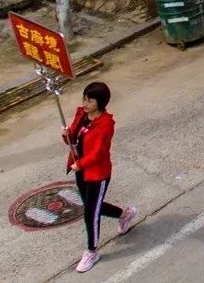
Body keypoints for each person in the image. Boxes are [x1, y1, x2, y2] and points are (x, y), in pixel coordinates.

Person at [63, 82, 136, 273]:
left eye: (90, 100)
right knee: (91, 206)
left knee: (90, 213)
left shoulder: (105, 124)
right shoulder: (82, 115)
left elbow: (99, 153)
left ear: (100, 102)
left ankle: (92, 251)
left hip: (97, 174)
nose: (85, 103)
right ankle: (125, 215)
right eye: (84, 98)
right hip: (81, 171)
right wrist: (66, 135)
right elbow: (73, 137)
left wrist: (81, 164)